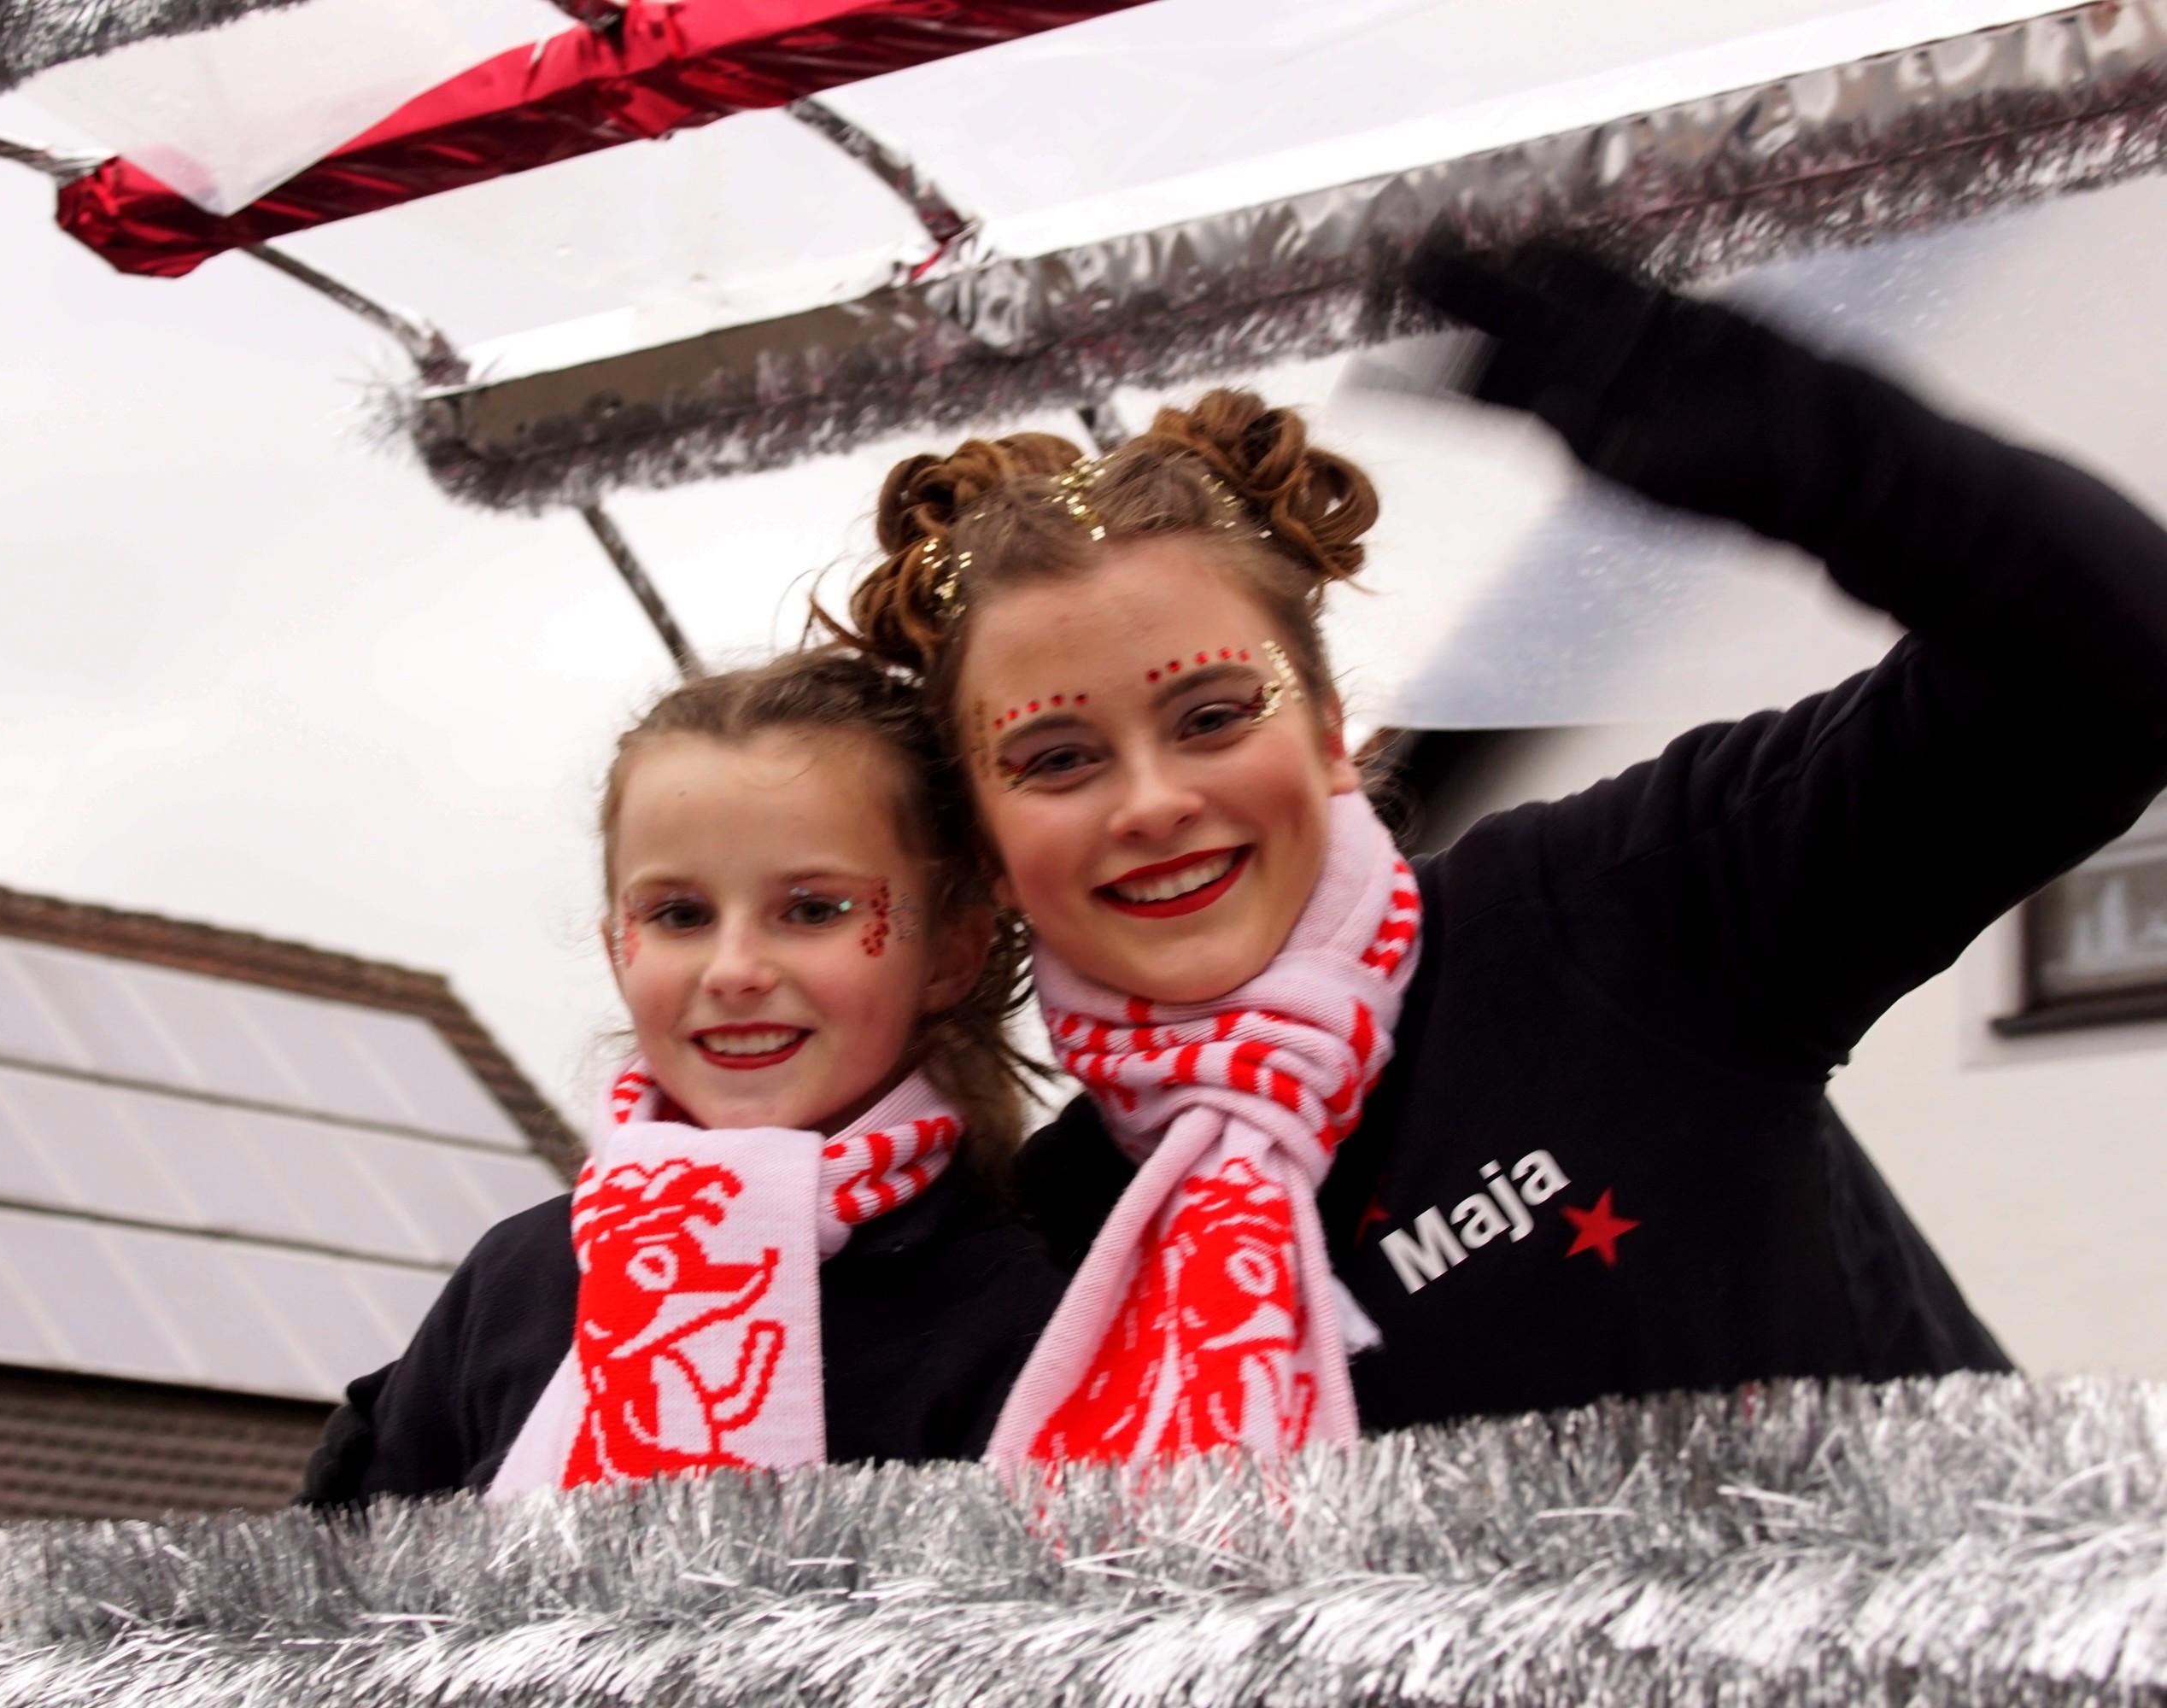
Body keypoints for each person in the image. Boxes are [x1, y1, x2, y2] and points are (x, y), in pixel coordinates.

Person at [823, 246, 2167, 1463]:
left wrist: (1799, 439)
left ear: (1334, 733)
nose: (1154, 800)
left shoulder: (1607, 918)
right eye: (1056, 758)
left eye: (1214, 715)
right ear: (988, 853)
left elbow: (2114, 670)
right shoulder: (1043, 1257)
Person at [300, 651, 1065, 1500]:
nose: (733, 969)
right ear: (616, 948)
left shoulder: (1024, 1309)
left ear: (951, 951)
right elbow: (331, 1603)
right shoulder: (517, 1281)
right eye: (680, 915)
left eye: (812, 909)